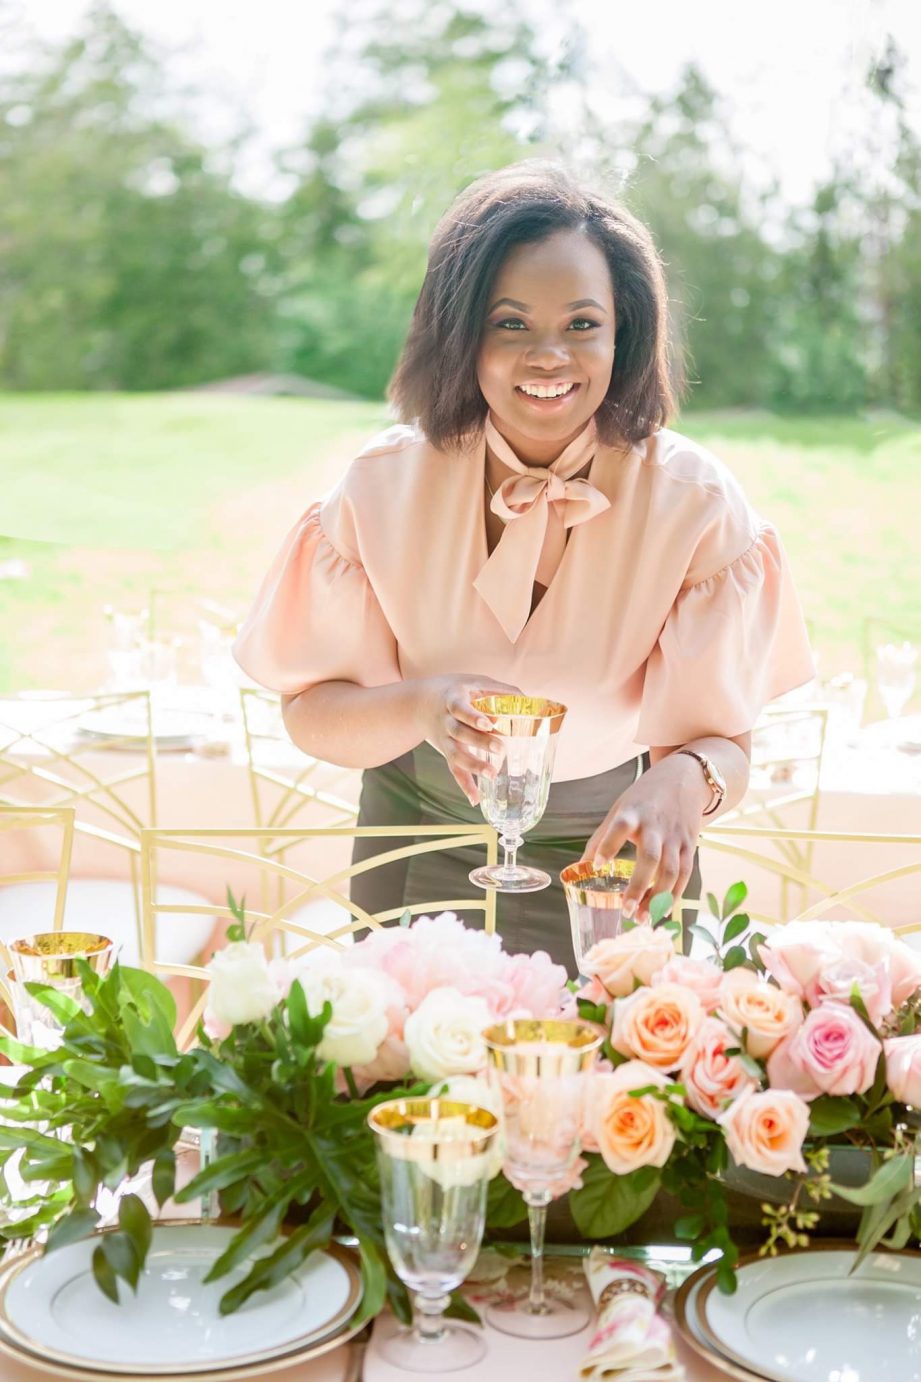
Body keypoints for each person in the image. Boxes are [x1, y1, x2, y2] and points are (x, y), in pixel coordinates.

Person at [233, 161, 813, 970]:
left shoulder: (694, 503)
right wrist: (423, 707)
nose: (549, 357)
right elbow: (311, 712)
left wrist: (686, 779)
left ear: (624, 335)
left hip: (616, 868)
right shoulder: (380, 485)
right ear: (461, 331)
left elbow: (726, 747)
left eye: (581, 324)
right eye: (511, 323)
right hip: (416, 846)